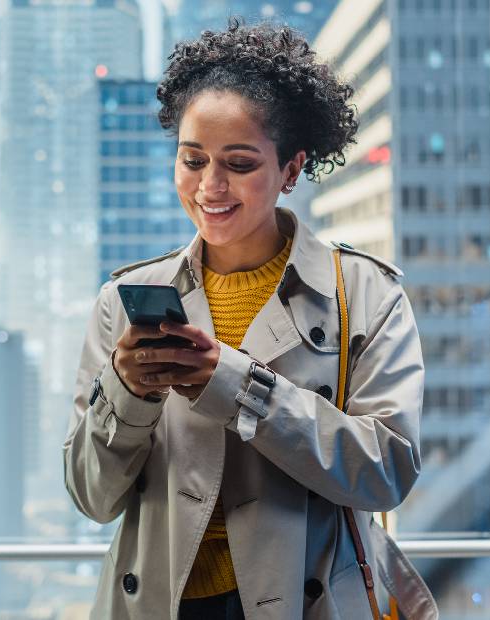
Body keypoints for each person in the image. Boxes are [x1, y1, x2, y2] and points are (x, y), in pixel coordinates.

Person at [63, 18, 435, 620]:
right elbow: (91, 497)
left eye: (239, 163)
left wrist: (236, 387)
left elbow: (387, 474)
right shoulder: (127, 297)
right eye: (192, 159)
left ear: (291, 169)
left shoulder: (365, 293)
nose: (210, 186)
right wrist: (127, 391)